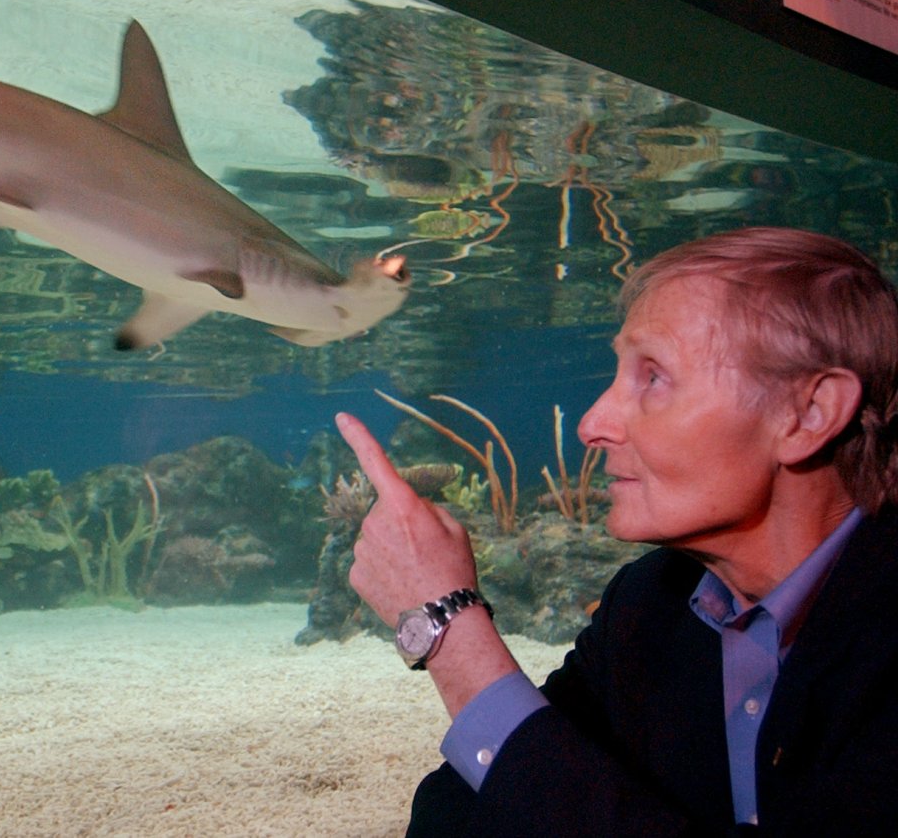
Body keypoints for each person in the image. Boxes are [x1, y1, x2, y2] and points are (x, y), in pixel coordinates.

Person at [336, 227, 898, 836]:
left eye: (653, 377)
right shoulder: (651, 603)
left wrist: (451, 632)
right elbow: (459, 805)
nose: (592, 423)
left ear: (809, 413)